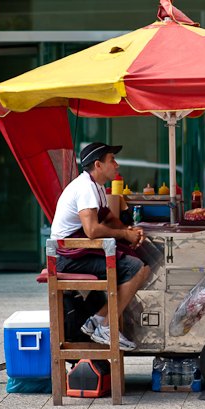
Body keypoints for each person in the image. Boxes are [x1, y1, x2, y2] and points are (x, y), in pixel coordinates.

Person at [51, 142, 150, 350]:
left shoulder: (97, 187)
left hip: (77, 252)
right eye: (112, 160)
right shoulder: (85, 187)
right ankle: (105, 325)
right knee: (136, 268)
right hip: (67, 257)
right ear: (98, 164)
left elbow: (109, 219)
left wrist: (129, 230)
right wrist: (125, 234)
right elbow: (92, 230)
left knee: (142, 266)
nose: (117, 164)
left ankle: (97, 321)